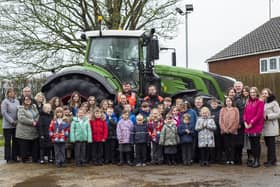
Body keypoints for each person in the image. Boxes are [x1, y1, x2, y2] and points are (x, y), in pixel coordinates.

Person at [243, 87, 264, 168]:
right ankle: (254, 160)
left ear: (257, 93)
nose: (252, 94)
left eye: (254, 92)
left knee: (256, 144)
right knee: (251, 144)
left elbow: (259, 115)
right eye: (251, 92)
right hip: (248, 126)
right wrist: (245, 122)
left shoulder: (260, 102)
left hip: (256, 126)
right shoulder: (248, 102)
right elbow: (244, 113)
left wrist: (251, 123)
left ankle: (257, 161)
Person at [16, 95, 39, 163]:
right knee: (24, 150)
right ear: (23, 101)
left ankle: (34, 159)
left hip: (33, 132)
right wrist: (32, 122)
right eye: (26, 99)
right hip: (24, 133)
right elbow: (21, 118)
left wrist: (36, 121)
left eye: (29, 99)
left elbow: (38, 115)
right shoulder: (21, 108)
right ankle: (24, 161)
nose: (28, 101)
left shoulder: (34, 107)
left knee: (34, 148)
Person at [261, 88, 280, 167]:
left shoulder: (274, 103)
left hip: (271, 126)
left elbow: (278, 114)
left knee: (271, 145)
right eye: (263, 93)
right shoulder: (263, 102)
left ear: (269, 94)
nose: (264, 95)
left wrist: (268, 116)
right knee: (268, 145)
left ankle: (271, 161)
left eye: (265, 93)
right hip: (265, 127)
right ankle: (272, 160)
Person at [1, 87, 20, 163]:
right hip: (7, 126)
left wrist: (18, 121)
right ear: (7, 93)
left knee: (15, 142)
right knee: (8, 142)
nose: (12, 93)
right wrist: (12, 121)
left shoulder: (17, 101)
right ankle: (8, 158)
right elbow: (4, 113)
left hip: (16, 125)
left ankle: (14, 157)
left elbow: (19, 111)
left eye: (13, 92)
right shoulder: (4, 102)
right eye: (10, 92)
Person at [219, 97, 239, 165]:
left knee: (232, 146)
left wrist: (231, 129)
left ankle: (232, 159)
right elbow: (220, 121)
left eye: (230, 101)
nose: (228, 102)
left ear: (232, 102)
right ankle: (227, 159)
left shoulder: (235, 109)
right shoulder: (222, 109)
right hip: (224, 131)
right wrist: (225, 129)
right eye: (227, 101)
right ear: (225, 102)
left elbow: (237, 120)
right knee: (226, 145)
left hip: (233, 131)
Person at [209, 98, 222, 164]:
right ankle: (212, 159)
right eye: (212, 104)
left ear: (217, 104)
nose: (214, 105)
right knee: (212, 146)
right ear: (210, 104)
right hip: (211, 132)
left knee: (219, 146)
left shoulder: (220, 111)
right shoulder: (209, 111)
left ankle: (219, 159)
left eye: (215, 104)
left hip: (218, 131)